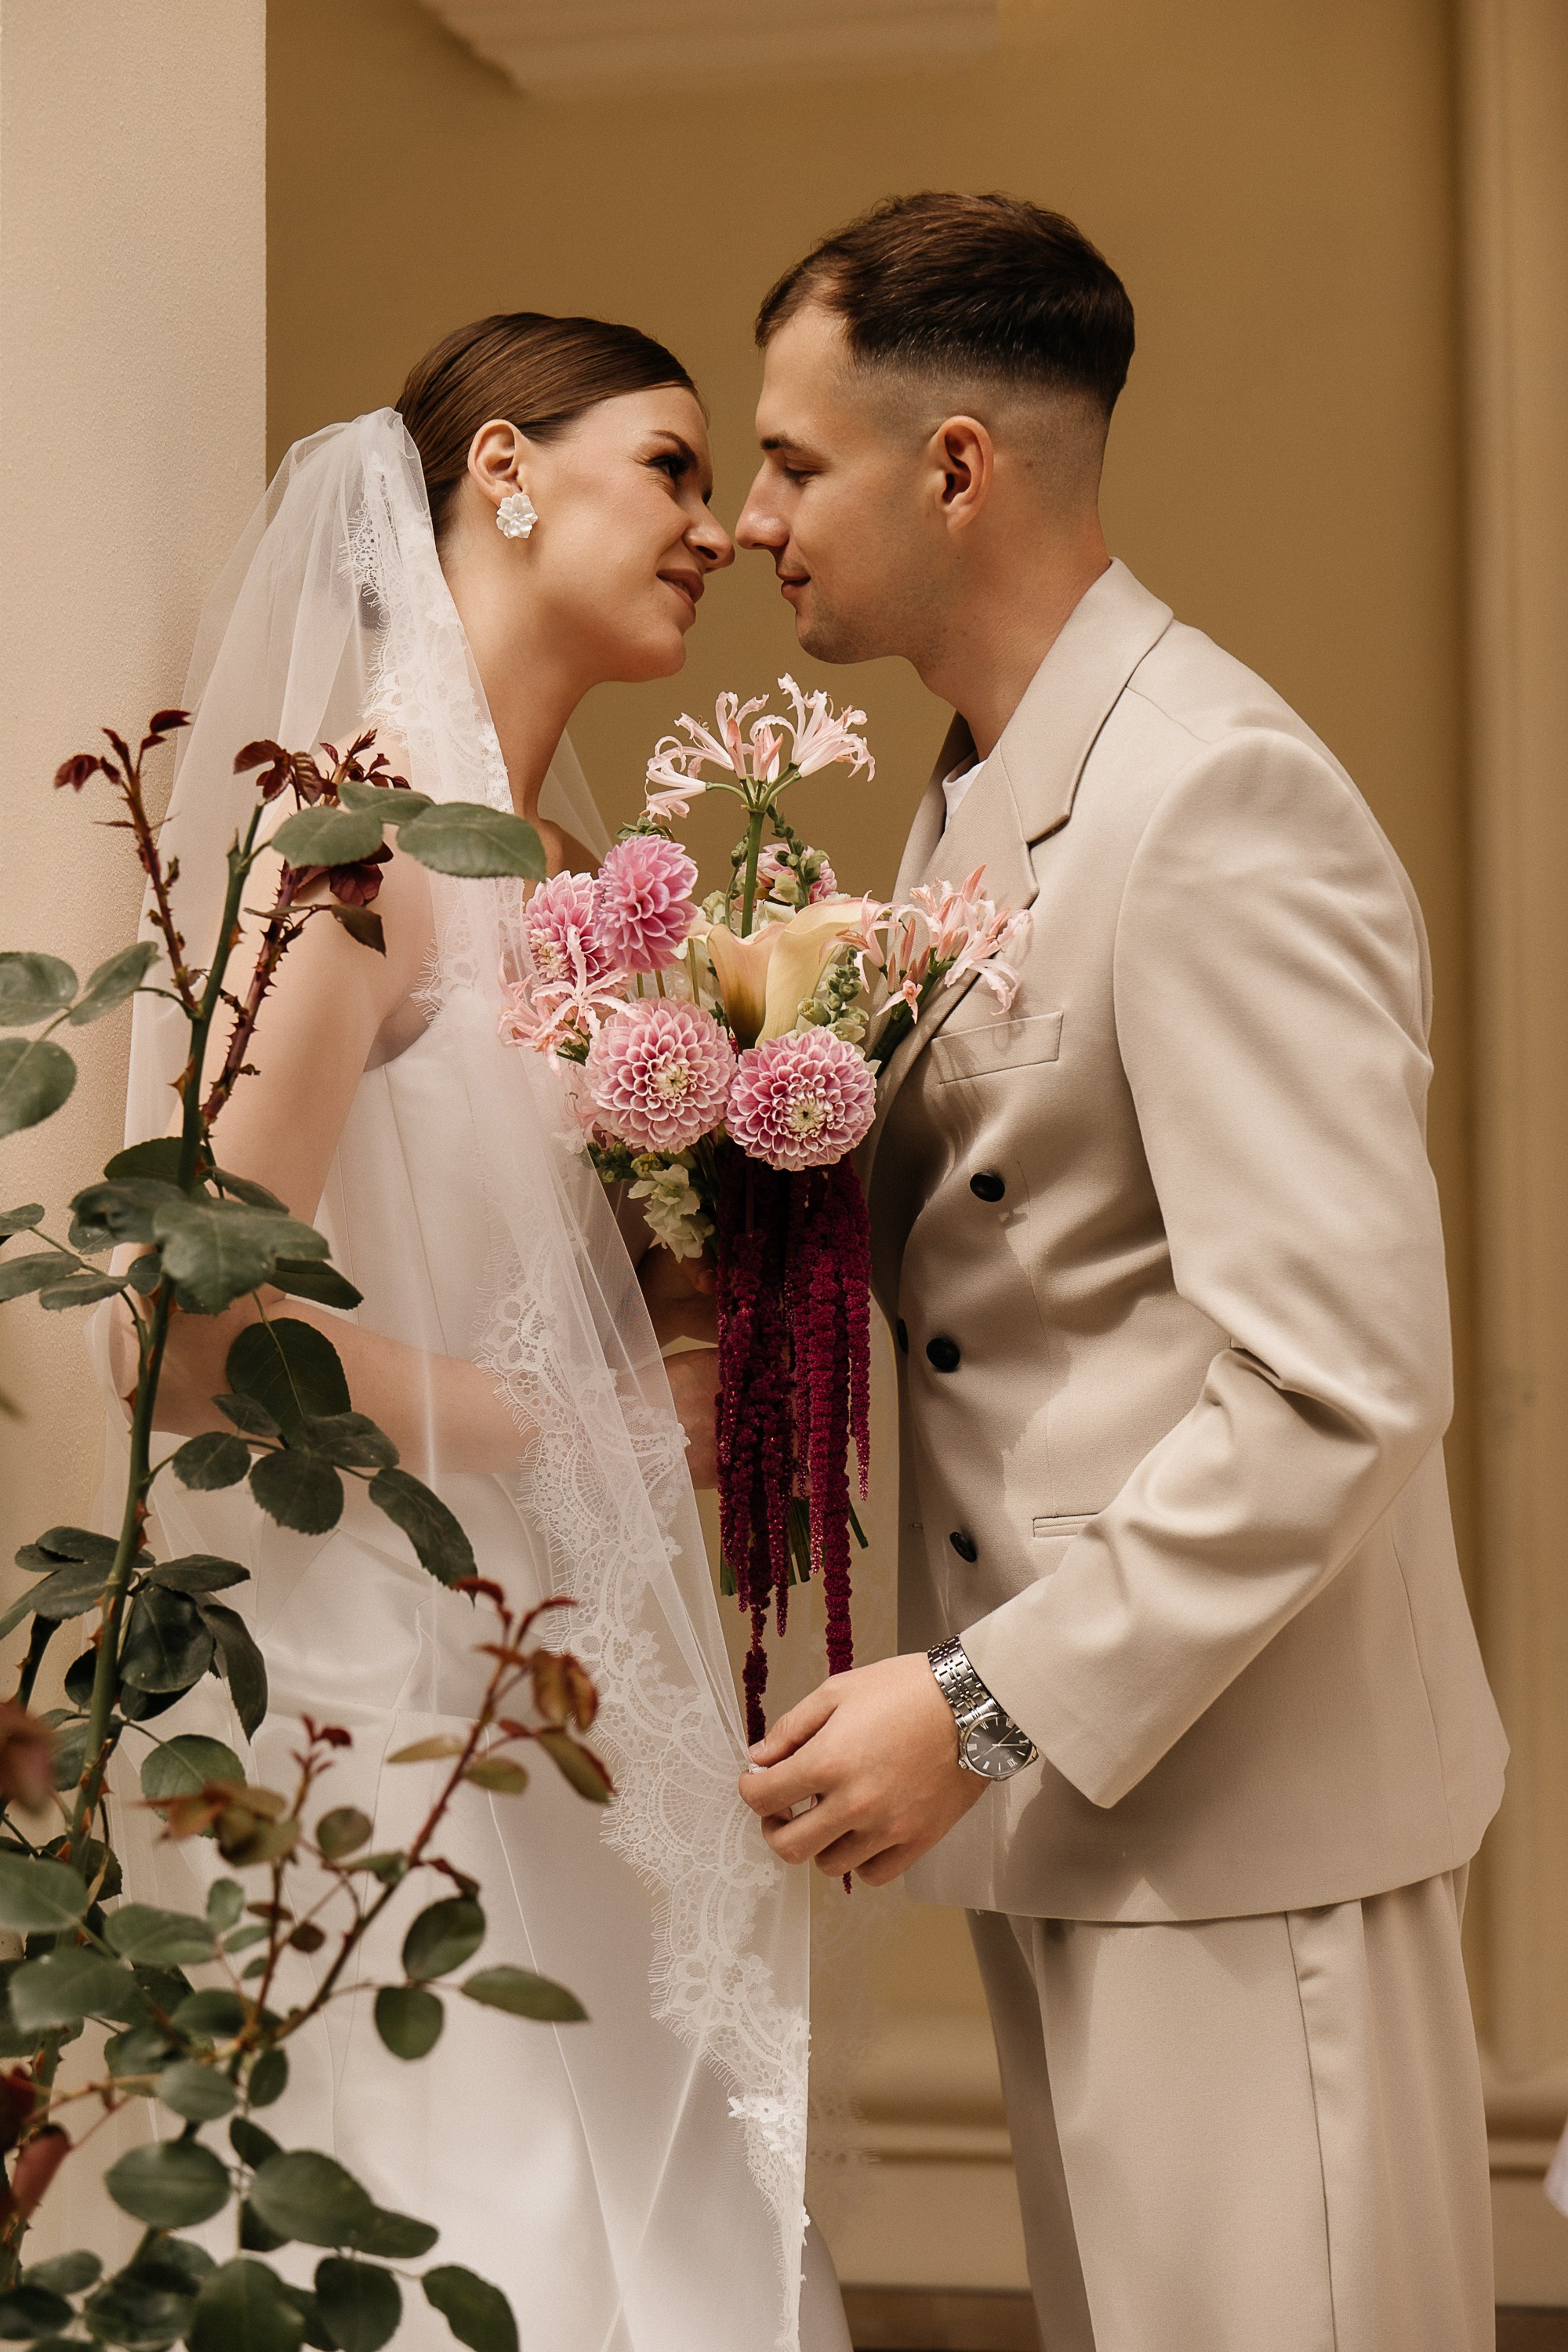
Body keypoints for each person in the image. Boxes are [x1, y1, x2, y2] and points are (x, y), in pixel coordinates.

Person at [735, 192, 1507, 2352]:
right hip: (1078, 1804)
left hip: (1243, 1826)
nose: (753, 519)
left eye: (792, 462)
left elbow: (1342, 1383)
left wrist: (982, 1706)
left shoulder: (1214, 793)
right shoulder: (974, 797)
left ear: (955, 467)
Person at [100, 314, 851, 2352]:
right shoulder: (352, 855)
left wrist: (721, 1312)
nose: (717, 528)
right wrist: (572, 1422)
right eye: (673, 464)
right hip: (386, 1678)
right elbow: (185, 1335)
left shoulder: (590, 898)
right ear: (503, 469)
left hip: (573, 1676)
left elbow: (609, 1264)